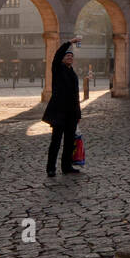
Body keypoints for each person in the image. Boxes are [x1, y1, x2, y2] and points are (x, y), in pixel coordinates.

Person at [42, 40, 81, 177]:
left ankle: (66, 166)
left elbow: (76, 94)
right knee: (56, 142)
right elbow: (57, 55)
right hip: (59, 113)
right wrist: (69, 43)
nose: (69, 58)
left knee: (69, 143)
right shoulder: (58, 69)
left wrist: (78, 114)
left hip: (71, 113)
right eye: (67, 56)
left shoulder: (73, 73)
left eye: (71, 56)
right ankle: (51, 168)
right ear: (62, 59)